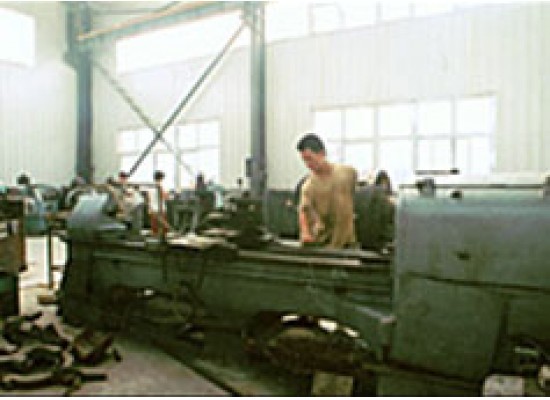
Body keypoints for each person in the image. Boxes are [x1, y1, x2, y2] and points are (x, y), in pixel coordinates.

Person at [296, 133, 358, 249]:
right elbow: (303, 210)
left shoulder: (348, 173)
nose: (308, 164)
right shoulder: (308, 186)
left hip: (348, 244)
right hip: (325, 245)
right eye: (304, 160)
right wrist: (305, 232)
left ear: (322, 153)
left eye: (310, 158)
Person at [148, 170, 169, 236]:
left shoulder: (150, 186)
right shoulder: (161, 186)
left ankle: (155, 236)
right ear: (161, 178)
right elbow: (164, 196)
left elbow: (148, 198)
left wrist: (149, 207)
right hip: (160, 208)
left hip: (153, 207)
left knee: (154, 225)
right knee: (164, 226)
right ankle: (162, 237)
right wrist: (167, 195)